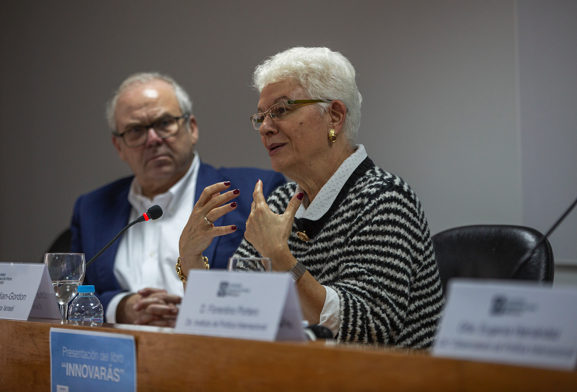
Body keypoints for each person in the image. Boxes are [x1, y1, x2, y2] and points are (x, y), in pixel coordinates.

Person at [179, 48, 444, 348]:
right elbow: (233, 316)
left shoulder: (386, 200)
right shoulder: (278, 203)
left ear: (334, 115)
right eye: (261, 117)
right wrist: (190, 259)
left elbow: (369, 329)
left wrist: (280, 258)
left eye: (280, 110)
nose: (265, 127)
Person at [70, 72, 285, 327]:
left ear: (191, 128)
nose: (153, 139)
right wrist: (121, 307)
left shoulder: (255, 192)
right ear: (119, 147)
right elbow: (67, 296)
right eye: (136, 130)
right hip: (117, 359)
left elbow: (277, 291)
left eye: (164, 123)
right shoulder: (92, 209)